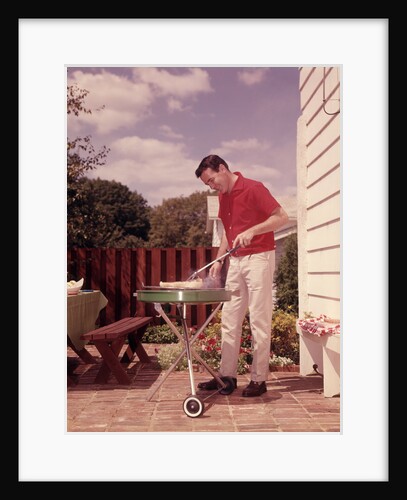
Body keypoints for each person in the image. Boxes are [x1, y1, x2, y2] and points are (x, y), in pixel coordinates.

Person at [195, 154, 289, 397]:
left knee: (258, 320)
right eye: (207, 184)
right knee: (230, 318)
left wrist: (254, 230)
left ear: (223, 168)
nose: (212, 186)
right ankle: (227, 377)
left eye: (212, 180)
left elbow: (282, 217)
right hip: (235, 261)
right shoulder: (223, 196)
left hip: (259, 258)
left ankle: (259, 380)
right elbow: (228, 231)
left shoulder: (254, 188)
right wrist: (220, 258)